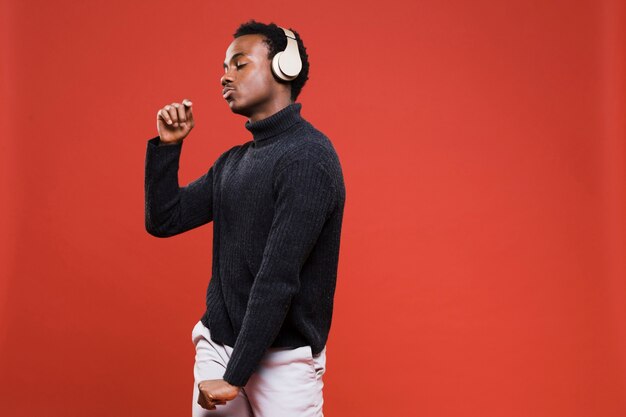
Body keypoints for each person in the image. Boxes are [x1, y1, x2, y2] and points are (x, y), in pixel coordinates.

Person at [144, 20, 346, 417]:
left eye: (239, 64)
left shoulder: (308, 159)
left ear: (283, 68)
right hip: (220, 347)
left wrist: (235, 378)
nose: (225, 76)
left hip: (283, 361)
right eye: (224, 67)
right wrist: (168, 149)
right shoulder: (233, 163)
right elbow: (164, 219)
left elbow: (278, 278)